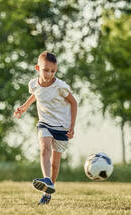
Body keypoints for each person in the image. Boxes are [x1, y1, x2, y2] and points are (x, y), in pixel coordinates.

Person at [14, 51, 77, 205]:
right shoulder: (33, 84)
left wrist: (72, 126)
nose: (49, 74)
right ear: (37, 68)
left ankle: (47, 192)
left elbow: (74, 103)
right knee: (44, 149)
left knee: (55, 163)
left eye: (53, 71)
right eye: (46, 70)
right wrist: (24, 107)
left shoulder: (60, 87)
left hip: (62, 126)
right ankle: (47, 179)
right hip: (45, 123)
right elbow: (36, 94)